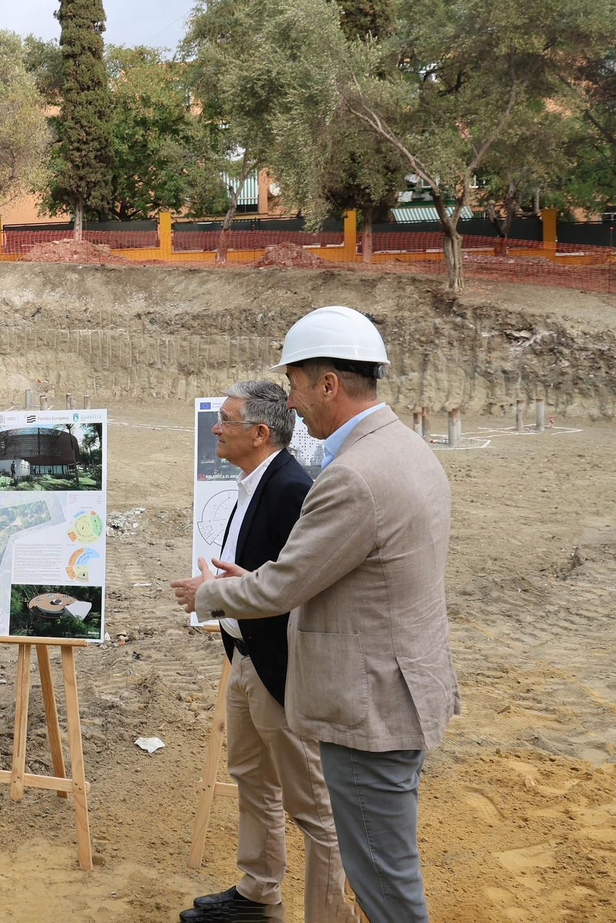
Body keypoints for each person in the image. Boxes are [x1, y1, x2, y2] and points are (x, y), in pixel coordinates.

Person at [172, 306, 458, 923]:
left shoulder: (352, 475)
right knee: (382, 868)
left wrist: (209, 595)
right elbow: (335, 575)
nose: (293, 403)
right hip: (397, 688)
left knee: (383, 883)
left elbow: (285, 585)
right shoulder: (406, 449)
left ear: (328, 383)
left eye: (297, 385)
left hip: (367, 704)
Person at [180, 381, 352, 923]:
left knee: (311, 802)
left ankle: (329, 914)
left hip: (281, 669)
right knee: (251, 776)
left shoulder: (290, 490)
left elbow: (304, 586)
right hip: (245, 656)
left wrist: (233, 590)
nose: (215, 428)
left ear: (259, 432)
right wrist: (242, 585)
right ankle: (258, 890)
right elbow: (268, 575)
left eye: (226, 420)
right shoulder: (256, 481)